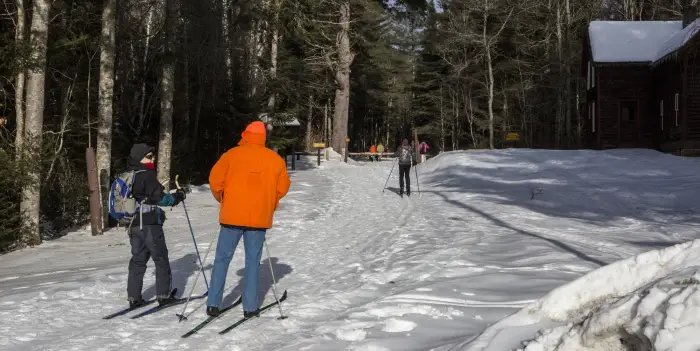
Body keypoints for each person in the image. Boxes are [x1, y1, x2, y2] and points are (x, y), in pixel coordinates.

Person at [206, 121, 291, 318]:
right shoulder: (275, 159)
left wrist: (223, 199)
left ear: (245, 135)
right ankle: (250, 307)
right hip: (259, 218)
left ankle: (213, 303)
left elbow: (215, 181)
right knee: (253, 262)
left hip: (231, 216)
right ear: (263, 137)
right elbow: (283, 187)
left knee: (221, 259)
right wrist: (270, 203)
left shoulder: (231, 155)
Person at [125, 144, 186, 308]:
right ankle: (164, 296)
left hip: (133, 224)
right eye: (149, 156)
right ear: (140, 158)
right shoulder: (147, 175)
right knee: (160, 258)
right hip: (150, 223)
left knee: (138, 260)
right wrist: (177, 197)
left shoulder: (128, 175)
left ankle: (134, 297)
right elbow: (160, 198)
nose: (153, 159)